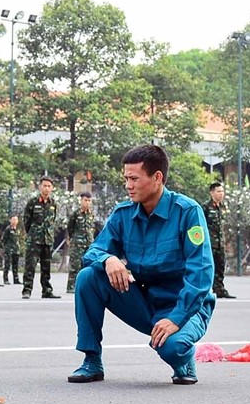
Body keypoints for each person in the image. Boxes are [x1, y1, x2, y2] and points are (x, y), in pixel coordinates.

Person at [68, 145, 215, 385]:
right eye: (126, 178)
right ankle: (91, 360)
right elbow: (93, 251)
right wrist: (109, 259)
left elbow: (201, 275)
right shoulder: (123, 213)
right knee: (89, 276)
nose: (128, 185)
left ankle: (184, 358)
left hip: (184, 306)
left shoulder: (187, 212)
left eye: (134, 178)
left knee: (171, 348)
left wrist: (176, 318)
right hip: (145, 301)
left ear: (157, 177)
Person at [22, 177, 60, 299]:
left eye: (49, 186)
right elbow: (26, 221)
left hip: (47, 240)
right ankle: (27, 290)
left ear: (52, 188)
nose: (47, 188)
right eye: (44, 186)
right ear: (40, 187)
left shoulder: (53, 203)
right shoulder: (32, 202)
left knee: (46, 267)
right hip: (34, 240)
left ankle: (47, 290)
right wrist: (32, 234)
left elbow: (52, 220)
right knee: (30, 266)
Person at [204, 182, 234, 299]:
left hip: (220, 244)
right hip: (210, 244)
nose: (221, 194)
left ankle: (220, 289)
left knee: (220, 267)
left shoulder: (222, 207)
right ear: (212, 193)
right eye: (218, 191)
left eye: (222, 191)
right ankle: (206, 291)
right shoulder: (206, 207)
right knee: (209, 268)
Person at [66, 192, 96, 294]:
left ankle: (86, 286)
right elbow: (70, 227)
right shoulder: (76, 214)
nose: (87, 203)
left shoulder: (91, 214)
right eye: (85, 200)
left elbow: (92, 229)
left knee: (88, 266)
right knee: (75, 265)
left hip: (89, 244)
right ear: (81, 201)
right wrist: (72, 238)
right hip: (77, 244)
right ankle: (71, 286)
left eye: (89, 201)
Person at [2, 215, 22, 285]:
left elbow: (19, 239)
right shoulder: (8, 229)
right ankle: (5, 279)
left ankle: (16, 279)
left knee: (15, 265)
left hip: (16, 250)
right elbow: (3, 239)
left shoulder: (18, 229)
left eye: (16, 220)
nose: (14, 221)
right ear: (10, 220)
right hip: (9, 250)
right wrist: (6, 247)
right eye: (13, 219)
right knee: (7, 265)